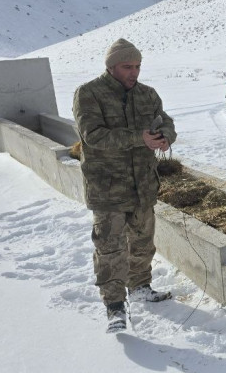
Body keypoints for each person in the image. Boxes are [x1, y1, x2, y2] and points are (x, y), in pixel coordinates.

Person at [73, 38, 177, 333]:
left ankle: (141, 286)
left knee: (143, 242)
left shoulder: (147, 94)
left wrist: (166, 137)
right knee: (110, 249)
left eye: (138, 66)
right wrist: (139, 138)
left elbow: (166, 121)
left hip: (142, 185)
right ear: (111, 67)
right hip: (108, 189)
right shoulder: (89, 93)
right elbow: (93, 135)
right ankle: (115, 306)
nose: (134, 72)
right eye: (127, 66)